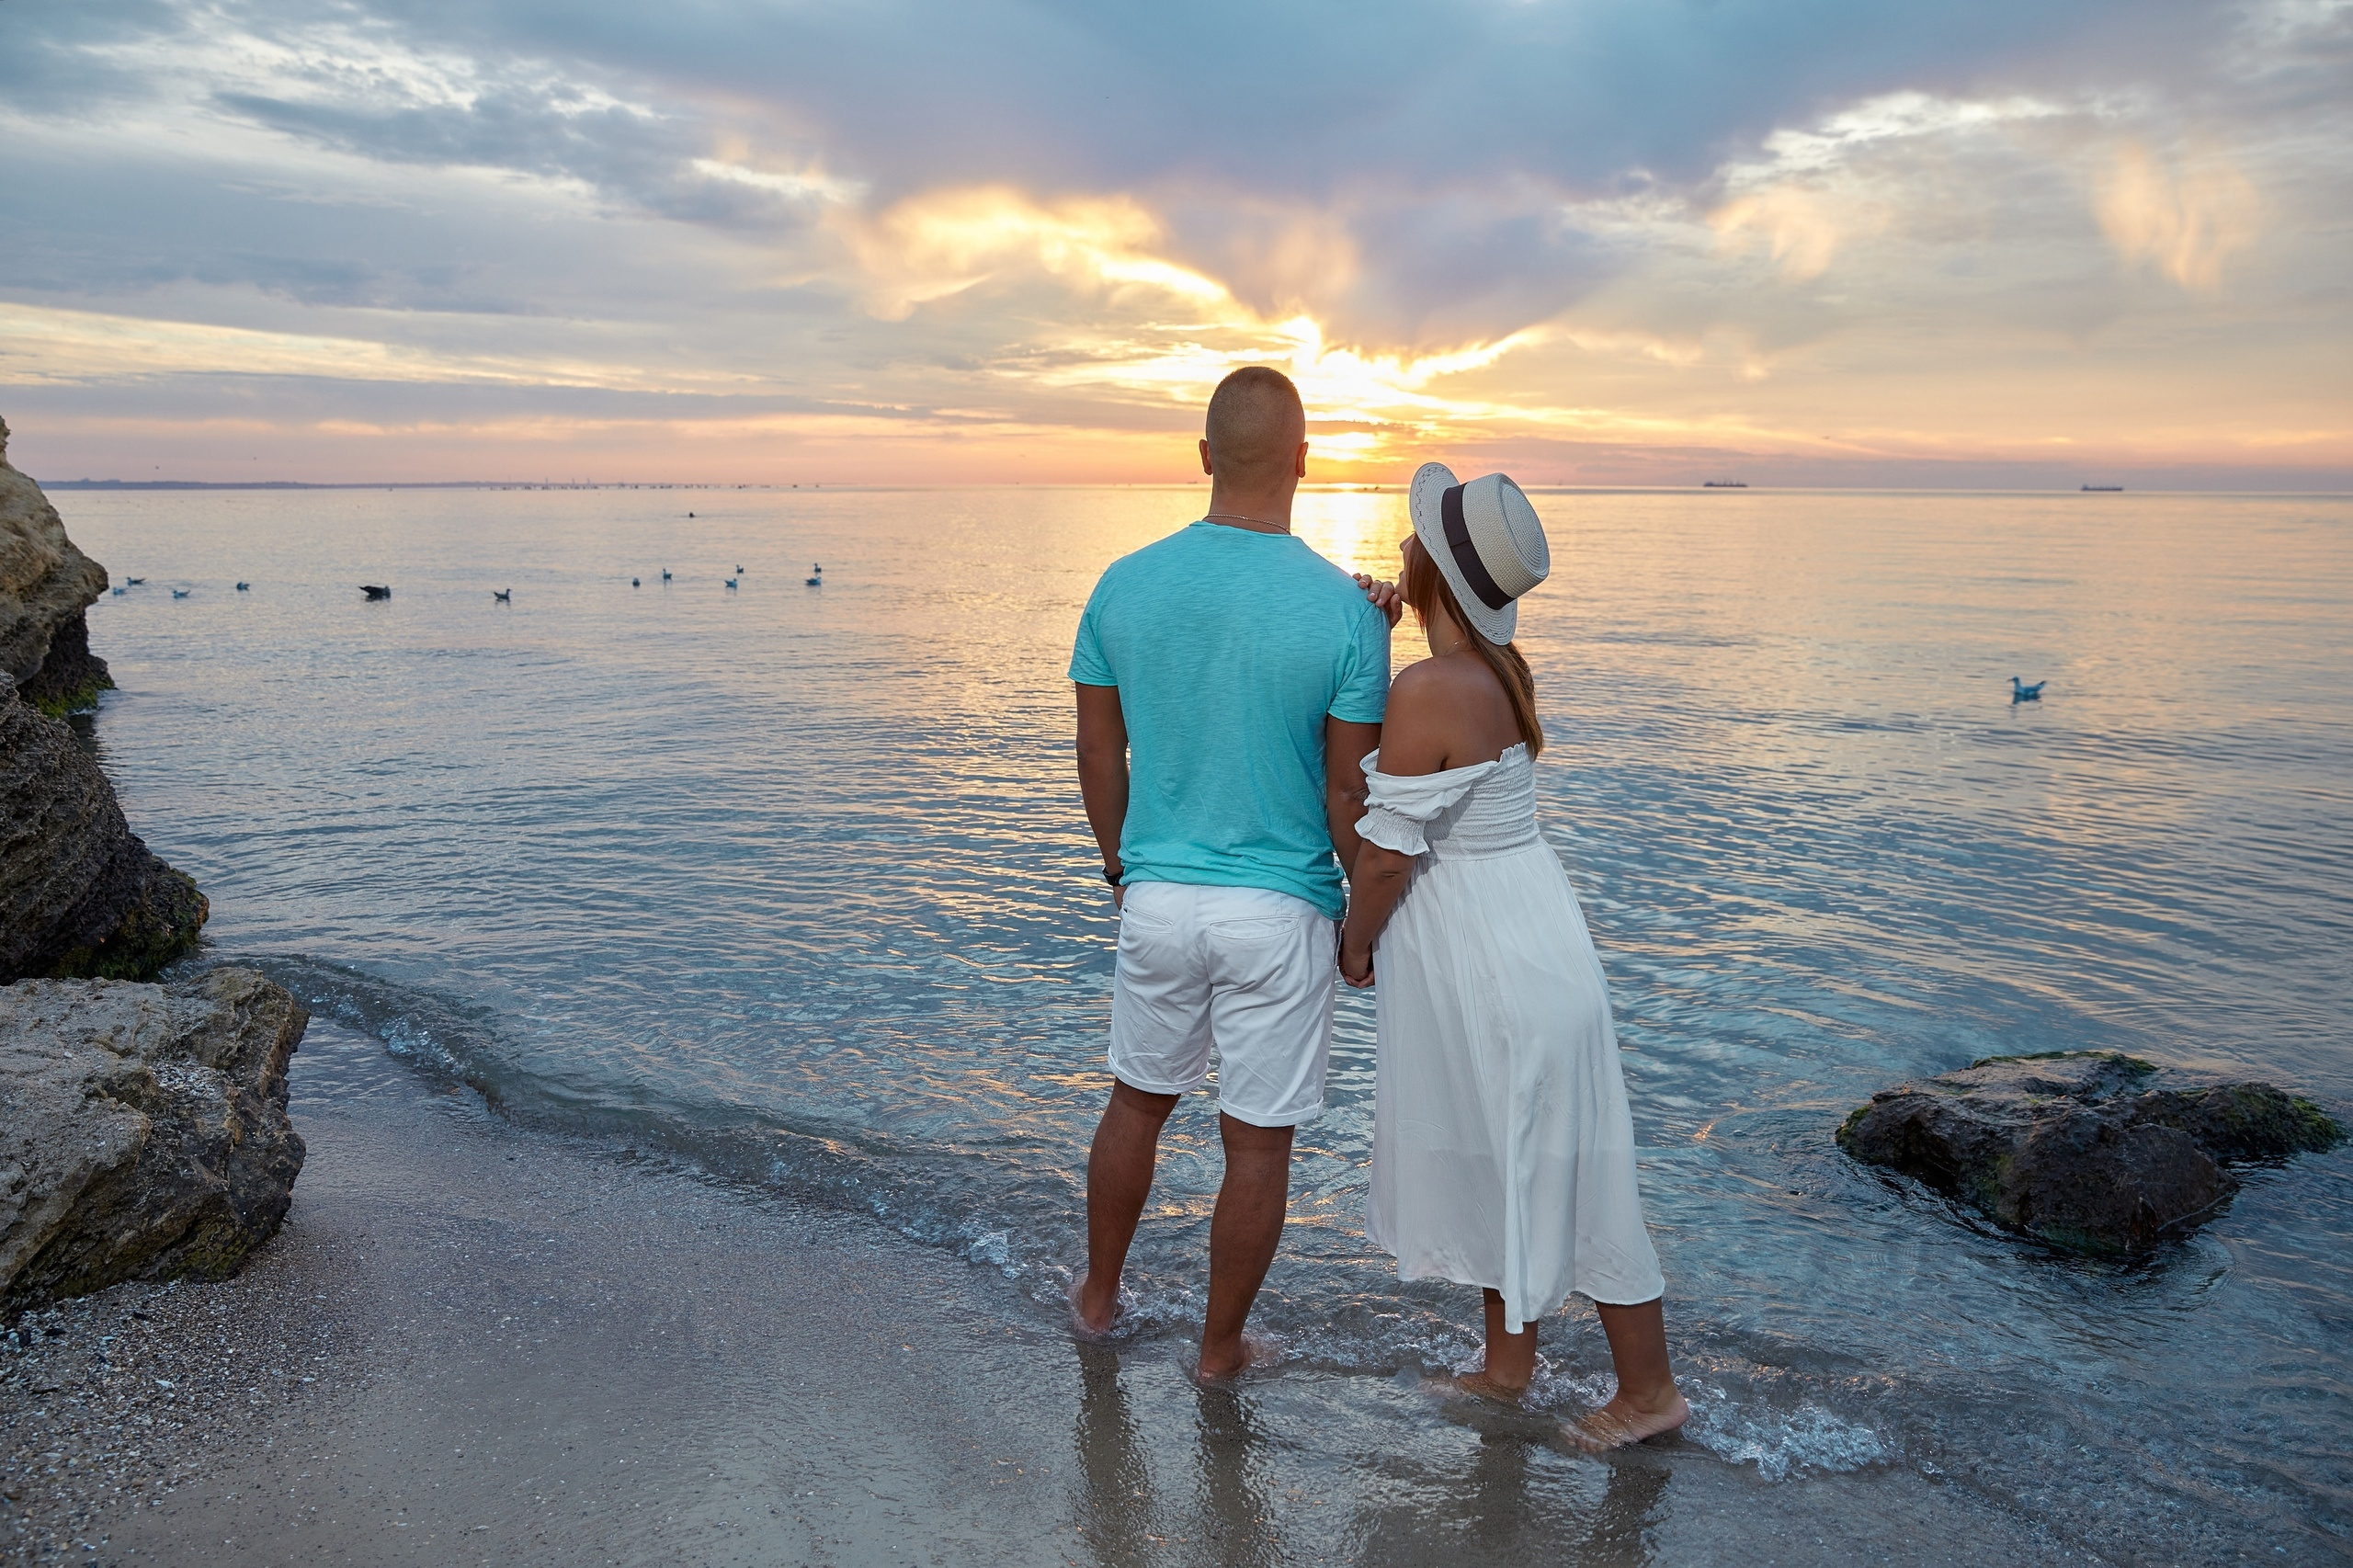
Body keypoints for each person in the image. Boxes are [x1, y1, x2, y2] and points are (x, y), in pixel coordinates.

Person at [1337, 463, 1688, 1448]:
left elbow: (1380, 854)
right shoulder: (1494, 668)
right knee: (1516, 1154)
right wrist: (1384, 628)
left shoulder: (1433, 686)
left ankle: (1650, 1391)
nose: (1400, 544)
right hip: (1532, 935)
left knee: (1574, 1176)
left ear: (1434, 569)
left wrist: (1355, 945)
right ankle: (1507, 1364)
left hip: (1498, 962)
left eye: (1414, 540)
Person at [1068, 366, 1396, 1381]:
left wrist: (1122, 864)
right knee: (1255, 1147)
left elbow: (1096, 752)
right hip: (1280, 907)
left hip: (1159, 895)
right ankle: (1218, 1351)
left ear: (1204, 456)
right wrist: (1360, 928)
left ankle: (1098, 1297)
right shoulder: (1344, 615)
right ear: (1304, 459)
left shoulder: (1122, 583)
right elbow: (1351, 796)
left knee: (1135, 1102)